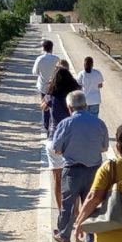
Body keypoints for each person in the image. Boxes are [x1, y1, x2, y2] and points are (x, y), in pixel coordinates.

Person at [51, 89, 109, 242]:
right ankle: (91, 241)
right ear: (85, 105)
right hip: (94, 170)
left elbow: (56, 148)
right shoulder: (99, 123)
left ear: (69, 106)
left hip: (72, 170)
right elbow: (104, 148)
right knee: (91, 203)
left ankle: (64, 235)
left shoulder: (65, 124)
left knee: (68, 204)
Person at [42, 64, 81, 210]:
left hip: (54, 138)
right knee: (74, 178)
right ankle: (76, 210)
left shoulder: (51, 95)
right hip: (72, 141)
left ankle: (61, 211)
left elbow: (43, 107)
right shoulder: (74, 96)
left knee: (57, 179)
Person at [32, 40, 60, 137]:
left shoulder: (40, 59)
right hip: (54, 86)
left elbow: (35, 72)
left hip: (43, 86)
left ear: (43, 48)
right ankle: (54, 126)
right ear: (52, 48)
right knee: (54, 105)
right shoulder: (57, 59)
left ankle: (47, 127)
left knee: (45, 106)